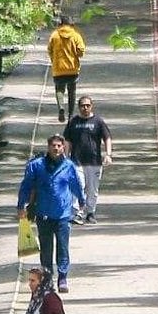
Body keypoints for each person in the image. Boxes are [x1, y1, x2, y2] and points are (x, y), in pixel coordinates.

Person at [17, 135, 85, 293]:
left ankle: (62, 277)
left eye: (59, 146)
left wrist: (81, 199)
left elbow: (75, 184)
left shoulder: (68, 166)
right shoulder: (37, 166)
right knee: (46, 249)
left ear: (63, 148)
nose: (56, 148)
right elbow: (26, 186)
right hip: (43, 214)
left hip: (63, 215)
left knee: (63, 247)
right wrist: (21, 205)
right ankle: (47, 279)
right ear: (48, 147)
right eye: (53, 145)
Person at [63, 95, 112, 225]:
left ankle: (90, 212)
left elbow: (107, 138)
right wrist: (65, 158)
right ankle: (77, 213)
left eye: (87, 105)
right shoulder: (73, 122)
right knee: (78, 187)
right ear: (79, 107)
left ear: (92, 106)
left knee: (92, 189)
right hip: (76, 161)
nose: (85, 108)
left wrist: (108, 154)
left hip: (94, 162)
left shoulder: (98, 121)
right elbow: (67, 140)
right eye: (82, 105)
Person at [47, 16, 86, 122]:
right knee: (72, 92)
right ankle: (71, 115)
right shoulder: (76, 36)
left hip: (58, 68)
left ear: (61, 23)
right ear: (71, 24)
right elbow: (81, 51)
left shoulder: (54, 35)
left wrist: (54, 60)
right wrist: (75, 55)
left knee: (59, 89)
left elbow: (50, 50)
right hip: (72, 68)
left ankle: (61, 107)